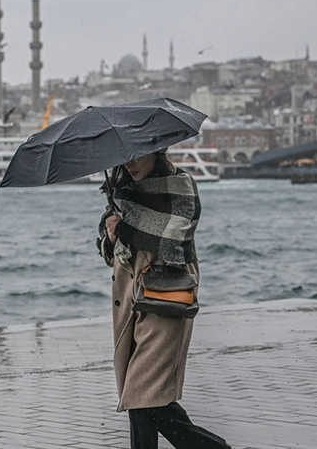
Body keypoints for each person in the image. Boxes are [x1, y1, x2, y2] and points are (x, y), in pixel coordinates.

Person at [98, 150, 231, 449]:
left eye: (137, 156)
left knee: (140, 394)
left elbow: (174, 242)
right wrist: (110, 235)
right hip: (130, 306)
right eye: (125, 158)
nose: (130, 164)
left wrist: (124, 229)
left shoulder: (179, 188)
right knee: (148, 399)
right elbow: (111, 256)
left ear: (157, 154)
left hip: (163, 301)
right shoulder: (121, 196)